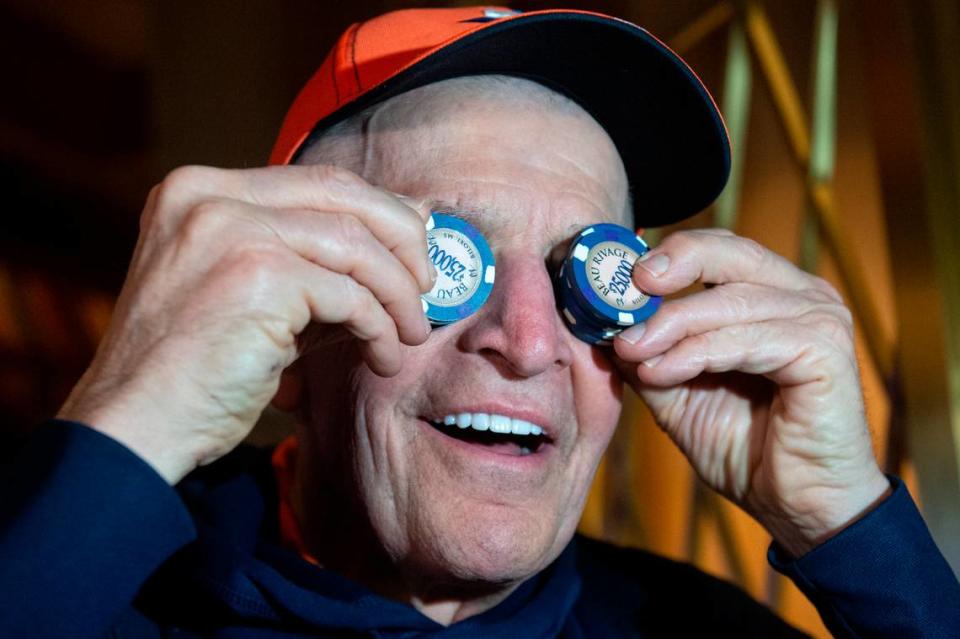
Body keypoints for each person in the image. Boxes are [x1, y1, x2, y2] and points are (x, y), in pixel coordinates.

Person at [2, 7, 958, 639]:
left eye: (588, 273)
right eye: (444, 262)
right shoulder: (86, 583)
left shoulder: (700, 627)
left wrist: (851, 523)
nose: (531, 338)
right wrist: (128, 423)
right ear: (290, 338)